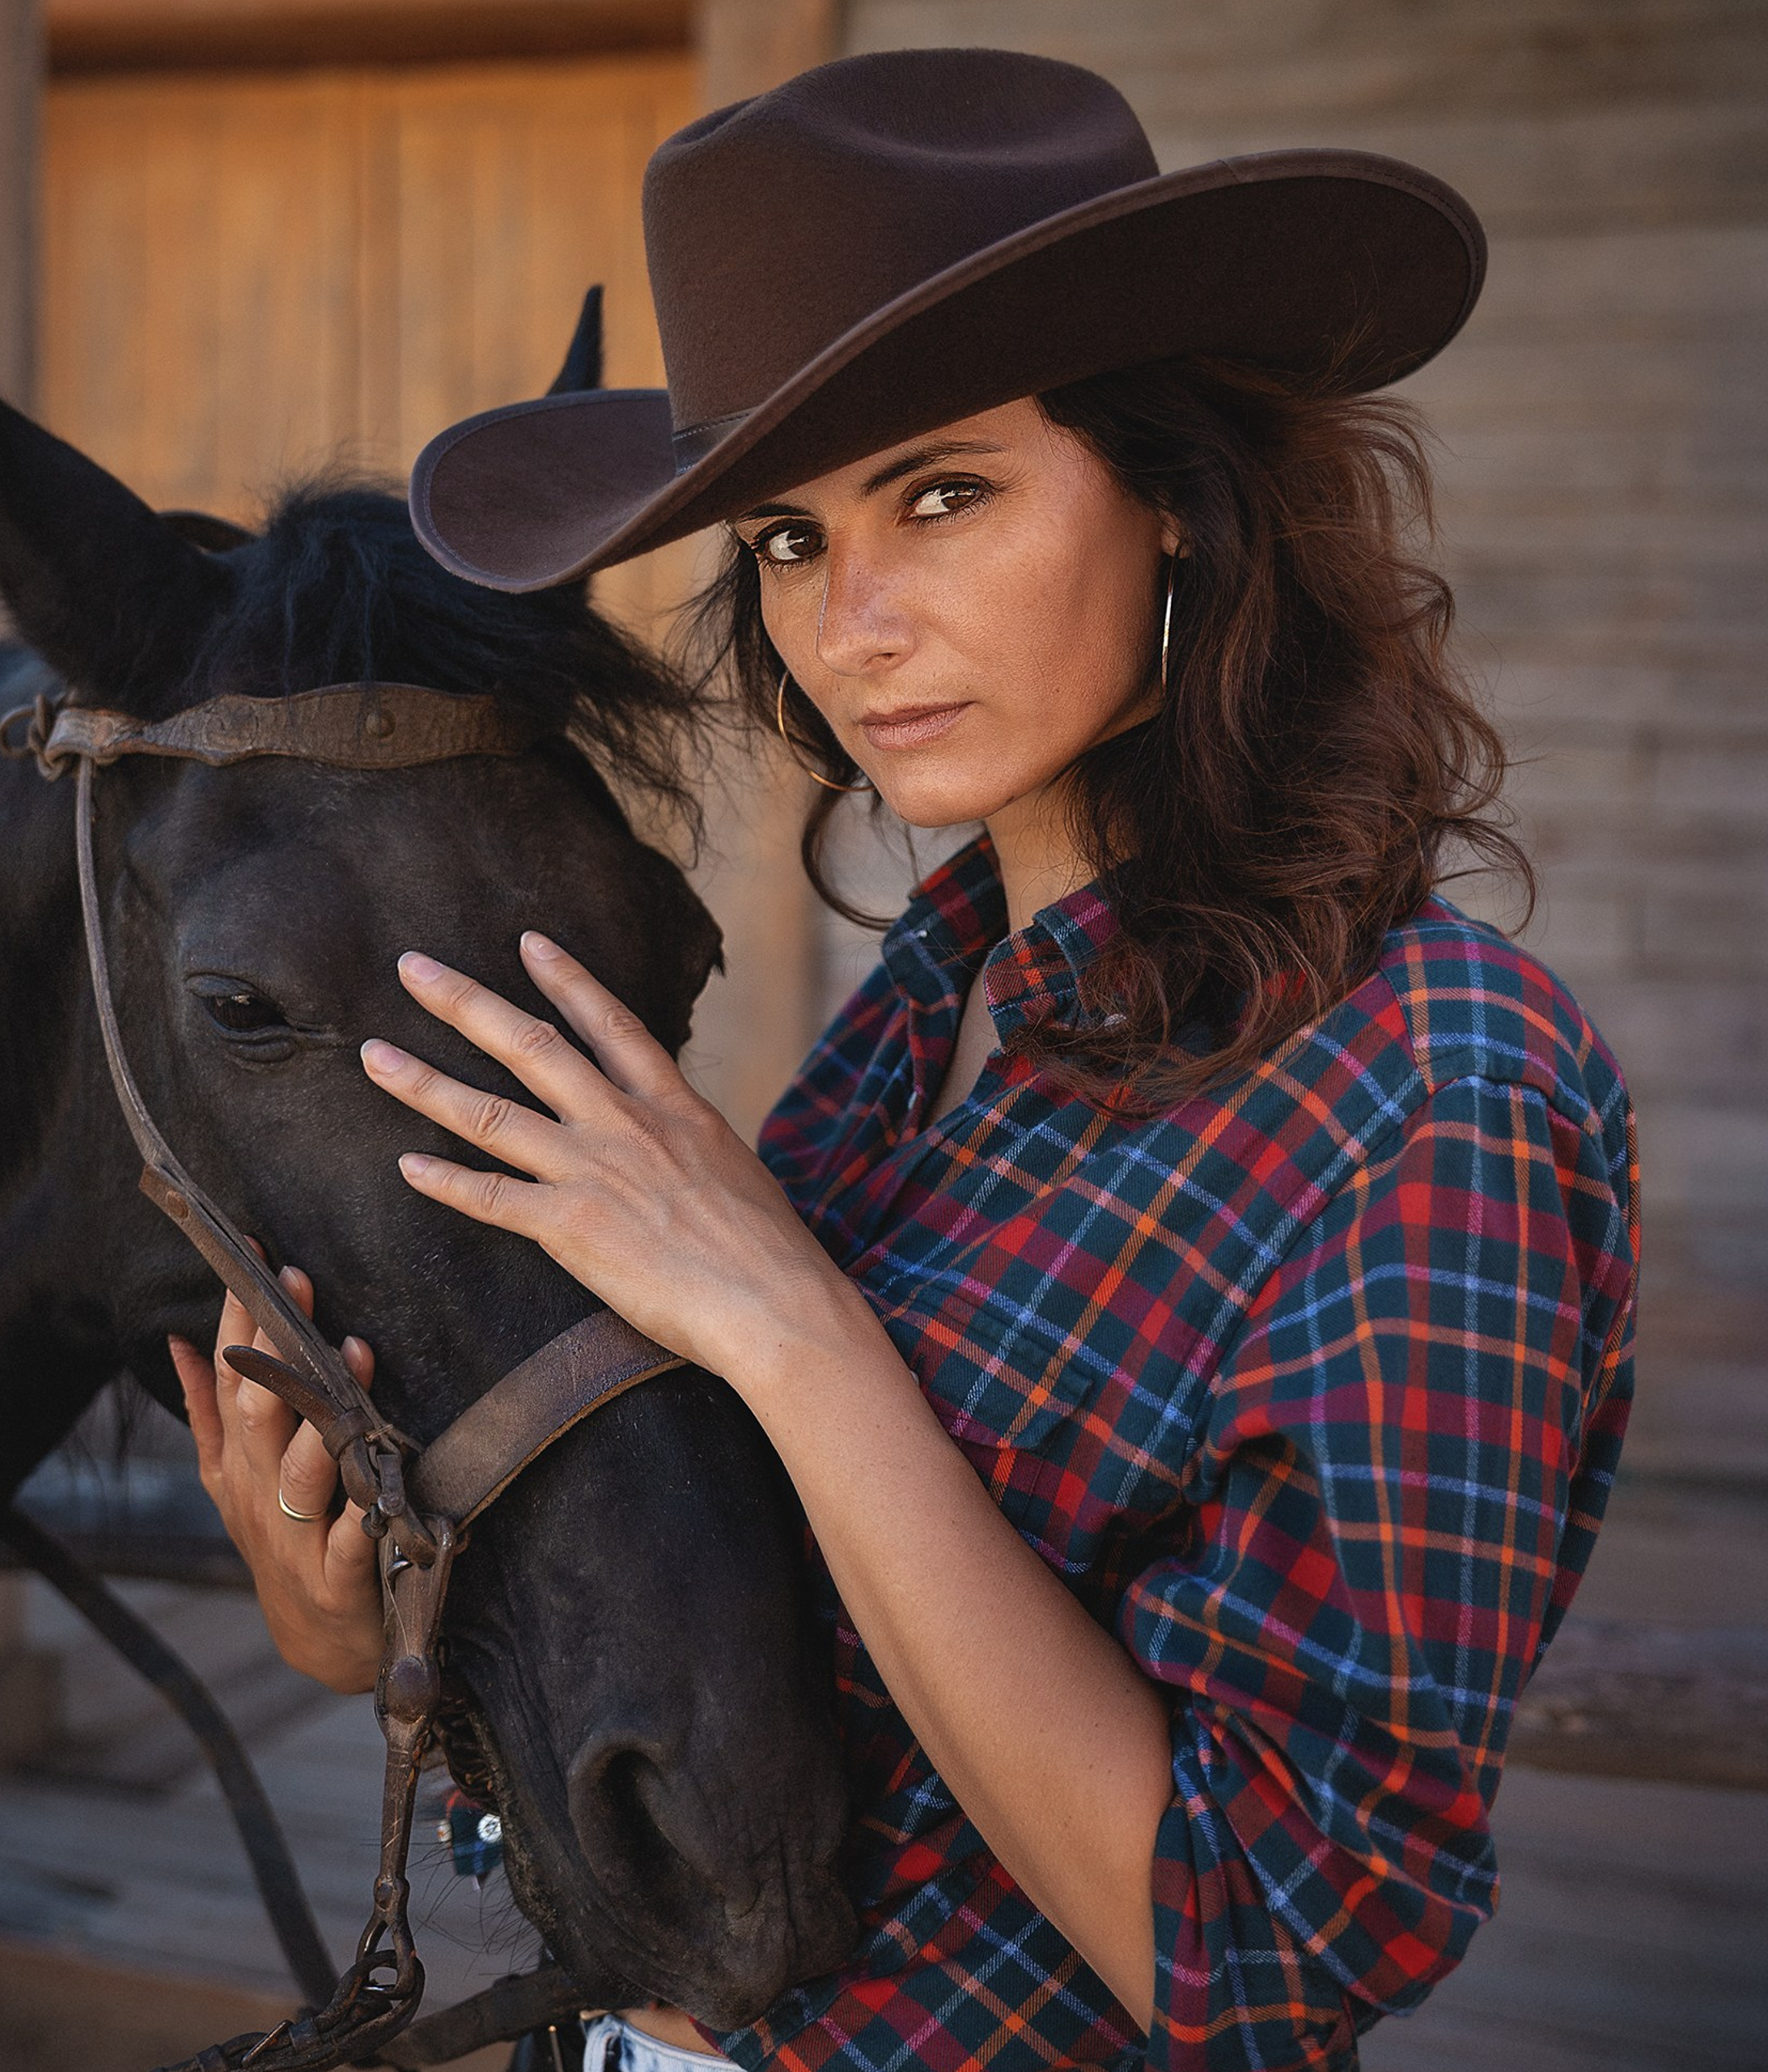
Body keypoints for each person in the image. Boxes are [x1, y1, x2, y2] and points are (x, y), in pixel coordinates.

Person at [170, 49, 1637, 2072]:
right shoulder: (918, 1019)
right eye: (785, 538)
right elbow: (746, 1717)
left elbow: (1258, 1955)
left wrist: (793, 1329)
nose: (849, 623)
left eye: (942, 493)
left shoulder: (1431, 1089)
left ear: (1179, 506)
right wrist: (365, 1639)